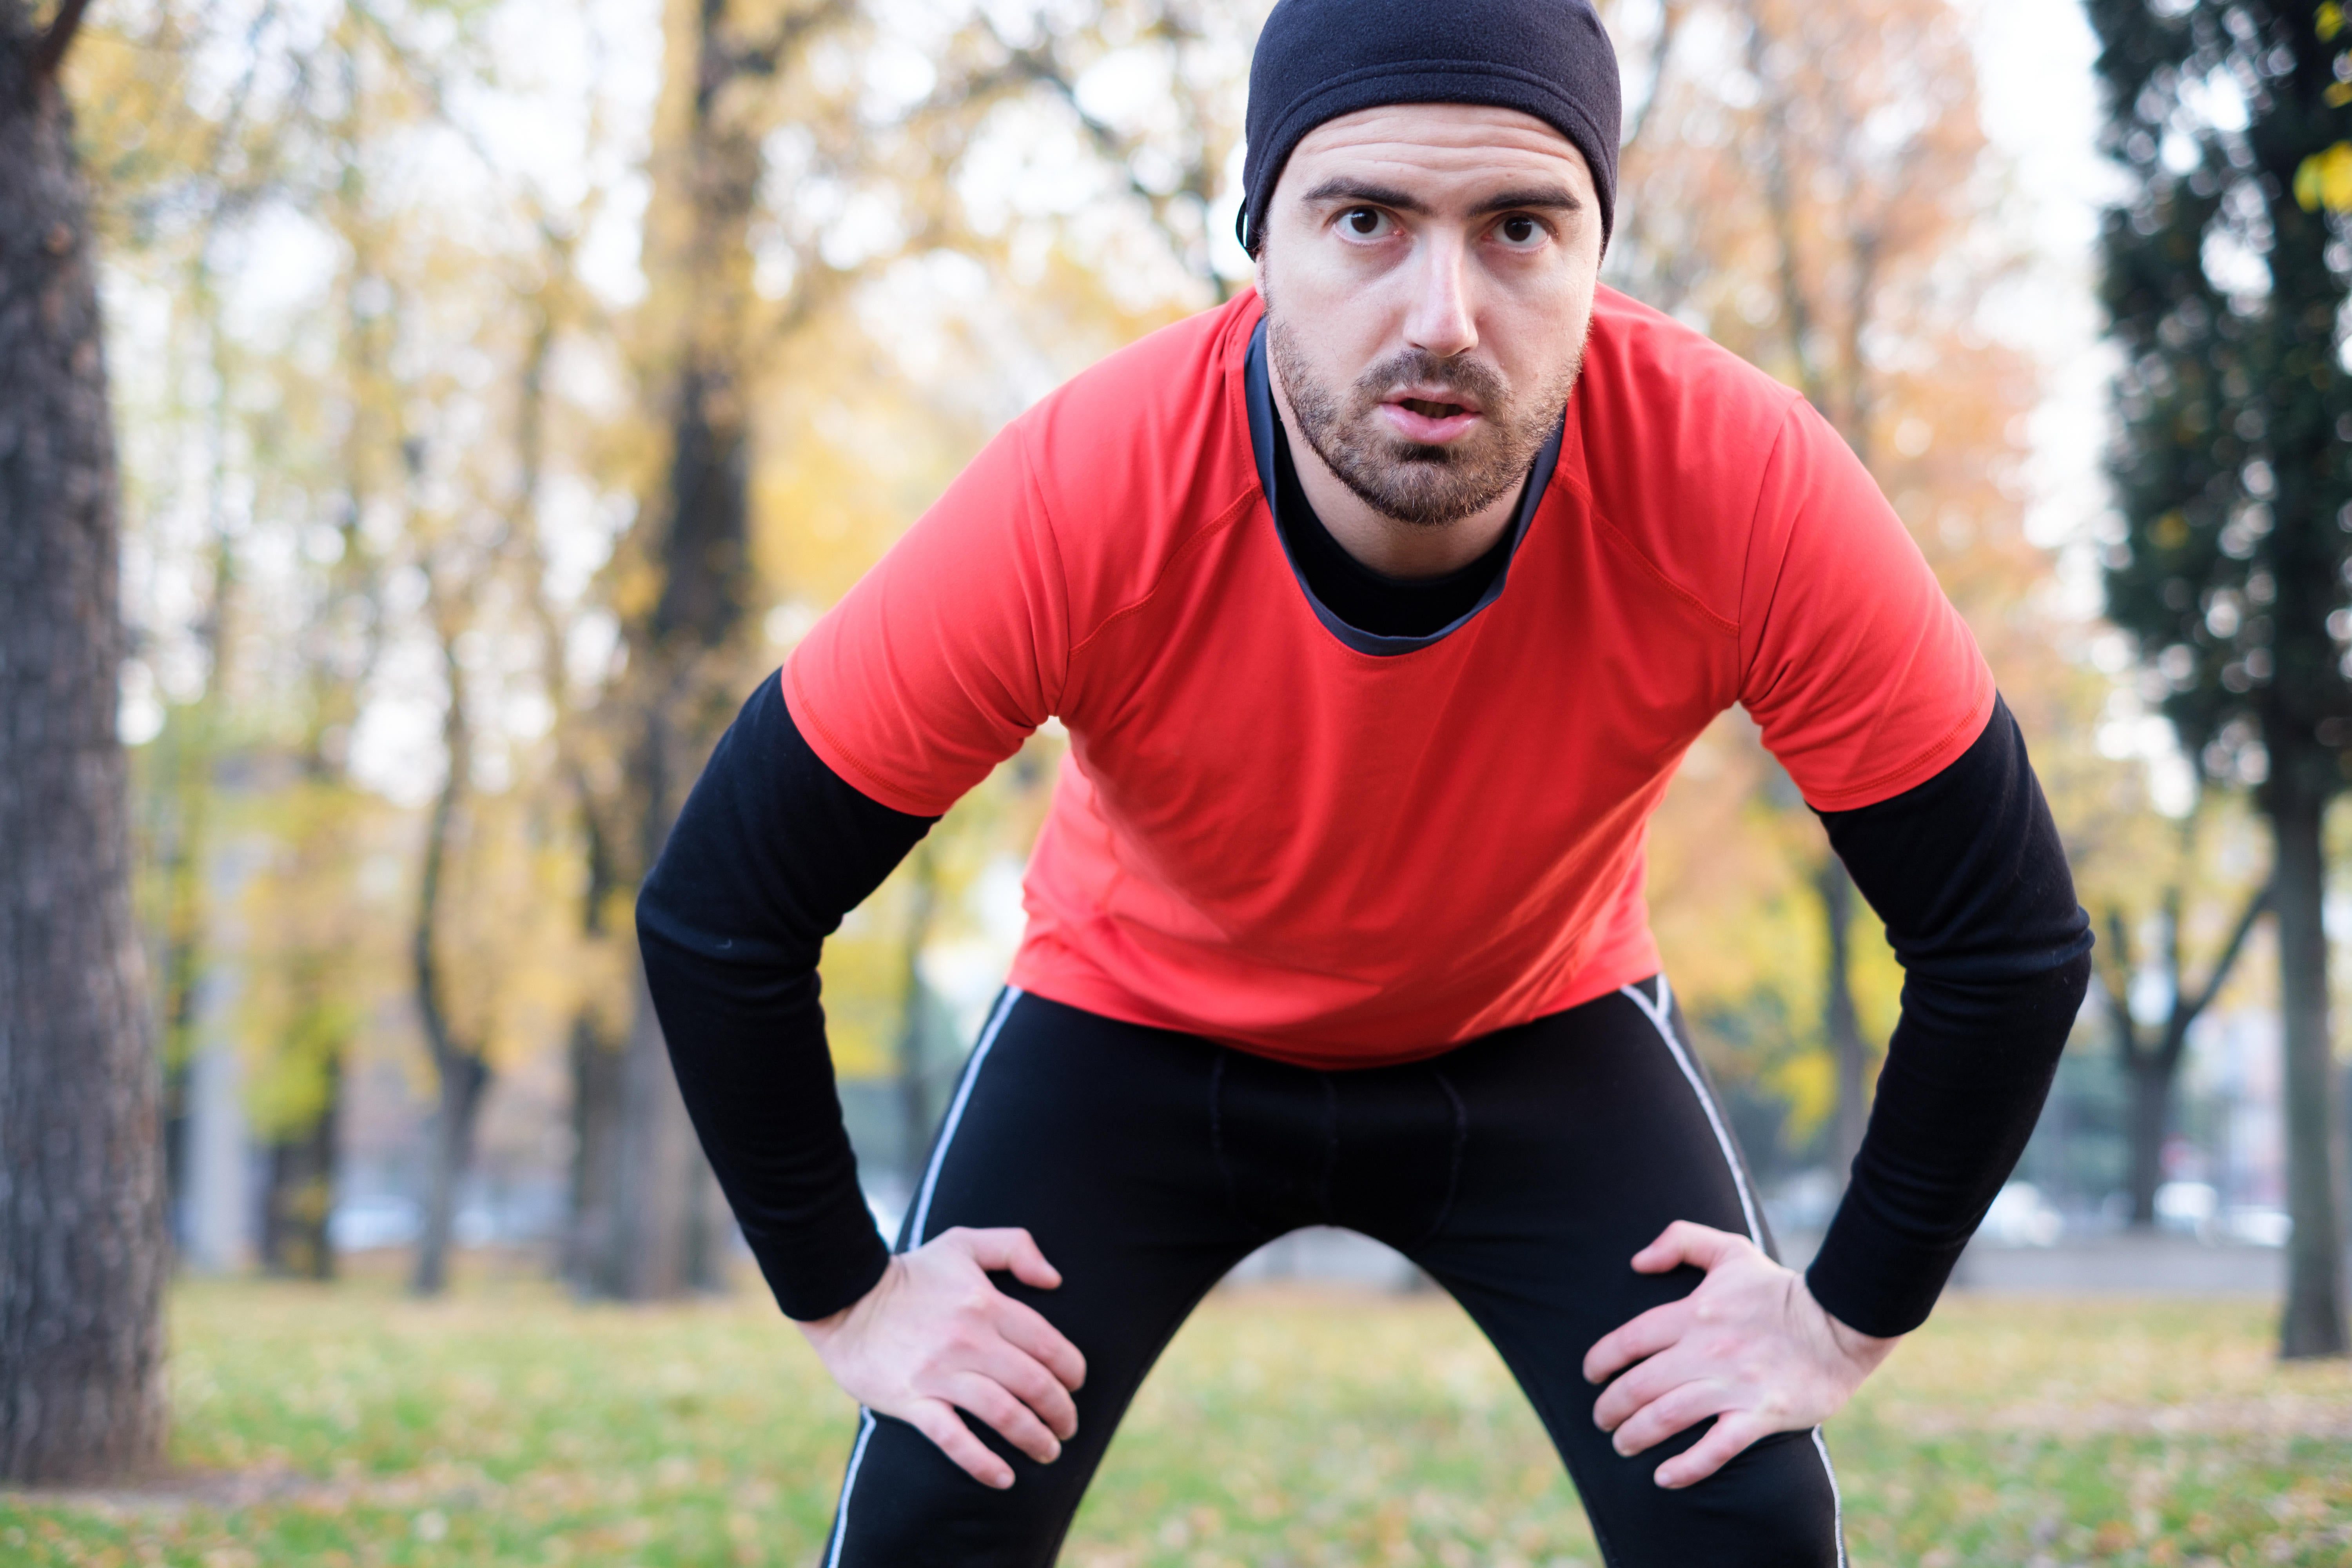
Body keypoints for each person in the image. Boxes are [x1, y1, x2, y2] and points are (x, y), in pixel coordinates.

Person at [635, 0, 2094, 1562]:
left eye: (1521, 227)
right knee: (938, 1493)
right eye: (1365, 221)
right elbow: (726, 908)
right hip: (1132, 1032)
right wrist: (846, 1297)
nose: (1444, 315)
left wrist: (1842, 1321)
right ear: (1260, 240)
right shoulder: (1088, 492)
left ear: (1602, 249)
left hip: (1537, 1036)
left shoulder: (1743, 485)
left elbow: (2003, 944)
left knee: (1739, 1513)